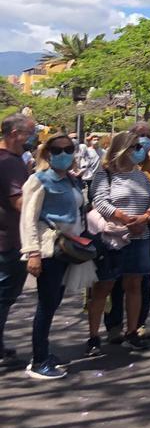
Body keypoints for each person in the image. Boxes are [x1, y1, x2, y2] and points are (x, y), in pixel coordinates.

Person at [19, 132, 85, 379]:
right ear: (47, 154)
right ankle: (39, 360)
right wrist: (32, 252)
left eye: (69, 149)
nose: (64, 155)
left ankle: (44, 352)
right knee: (46, 305)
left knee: (54, 301)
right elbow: (28, 219)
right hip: (48, 250)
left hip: (68, 248)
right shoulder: (39, 180)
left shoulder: (70, 180)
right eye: (57, 151)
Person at [85, 131, 150, 355]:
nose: (140, 151)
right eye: (135, 147)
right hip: (112, 238)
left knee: (134, 284)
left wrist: (145, 217)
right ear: (122, 149)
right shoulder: (104, 174)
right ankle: (94, 336)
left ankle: (132, 331)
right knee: (104, 286)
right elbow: (100, 201)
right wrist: (125, 219)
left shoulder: (142, 176)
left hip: (140, 237)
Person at [105, 122, 150, 342]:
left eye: (149, 135)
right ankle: (113, 325)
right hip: (115, 231)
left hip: (148, 230)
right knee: (113, 280)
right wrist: (123, 219)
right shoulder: (109, 167)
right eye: (140, 135)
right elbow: (98, 200)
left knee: (142, 279)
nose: (144, 140)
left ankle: (138, 323)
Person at [0, 113, 35, 363]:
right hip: (9, 240)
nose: (32, 138)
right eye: (29, 133)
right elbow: (20, 203)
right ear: (14, 134)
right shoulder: (10, 162)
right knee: (4, 296)